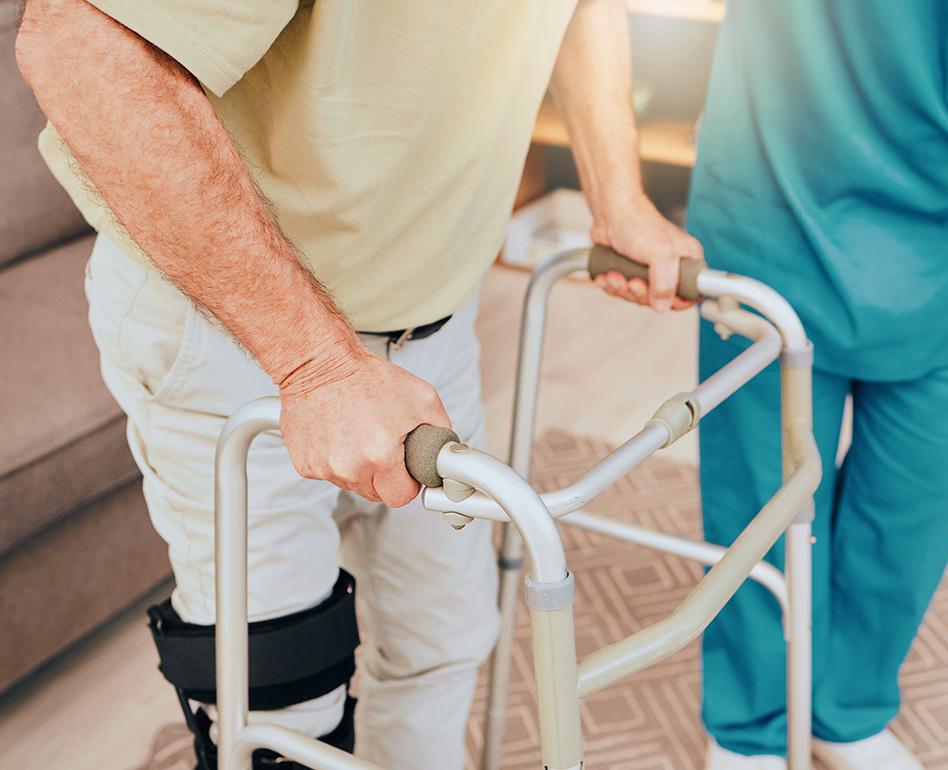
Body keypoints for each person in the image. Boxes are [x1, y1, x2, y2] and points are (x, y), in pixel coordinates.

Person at [14, 1, 702, 768]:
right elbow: (79, 43)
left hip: (431, 314)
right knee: (282, 701)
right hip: (235, 324)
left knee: (444, 640)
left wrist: (619, 196)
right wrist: (319, 364)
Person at [683, 2, 948, 768]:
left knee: (910, 509)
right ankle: (750, 726)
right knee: (762, 500)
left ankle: (847, 709)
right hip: (782, 201)